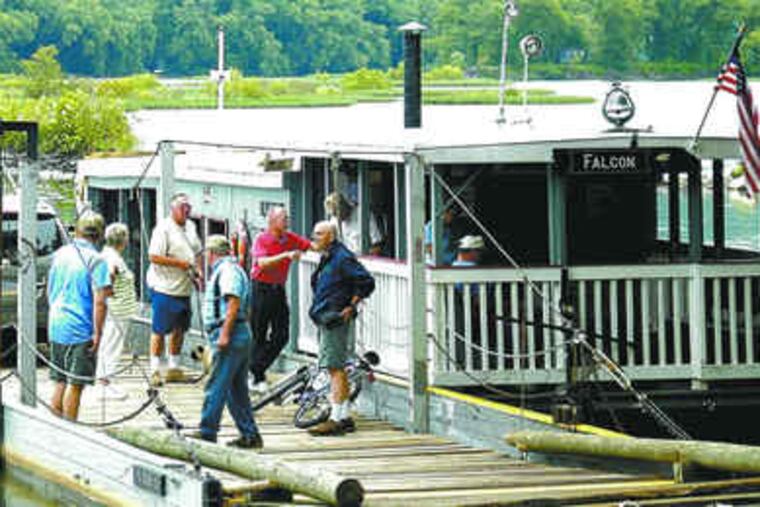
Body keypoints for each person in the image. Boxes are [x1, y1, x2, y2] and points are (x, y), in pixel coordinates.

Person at [307, 221, 375, 436]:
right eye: (315, 234)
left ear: (331, 236)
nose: (314, 237)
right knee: (337, 367)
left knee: (334, 367)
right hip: (326, 316)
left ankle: (335, 419)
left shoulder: (342, 257)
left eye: (319, 234)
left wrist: (350, 306)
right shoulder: (329, 256)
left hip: (335, 317)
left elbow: (366, 281)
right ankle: (344, 416)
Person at [195, 235, 262, 448]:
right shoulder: (234, 269)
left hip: (230, 334)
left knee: (216, 384)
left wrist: (225, 334)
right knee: (236, 389)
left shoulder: (227, 271)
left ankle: (207, 432)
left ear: (212, 253)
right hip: (240, 333)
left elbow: (233, 301)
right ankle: (249, 434)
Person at [48, 211, 111, 421]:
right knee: (75, 385)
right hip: (80, 327)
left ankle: (55, 427)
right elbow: (100, 301)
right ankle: (69, 430)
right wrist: (98, 333)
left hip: (57, 323)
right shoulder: (97, 260)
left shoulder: (60, 254)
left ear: (77, 231)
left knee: (60, 381)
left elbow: (50, 290)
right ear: (100, 235)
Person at [248, 206, 312, 393]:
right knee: (259, 334)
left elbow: (310, 245)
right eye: (284, 218)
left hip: (278, 290)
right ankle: (257, 377)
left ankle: (255, 368)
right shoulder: (262, 238)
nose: (287, 221)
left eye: (287, 217)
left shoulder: (289, 238)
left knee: (282, 335)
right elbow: (262, 263)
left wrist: (329, 244)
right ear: (272, 221)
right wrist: (286, 255)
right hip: (261, 288)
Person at [146, 193, 202, 386]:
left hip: (184, 287)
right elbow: (153, 256)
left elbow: (197, 252)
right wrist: (181, 264)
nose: (186, 211)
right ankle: (154, 369)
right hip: (164, 287)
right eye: (182, 207)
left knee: (180, 328)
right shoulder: (163, 229)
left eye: (188, 207)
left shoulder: (192, 226)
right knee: (159, 329)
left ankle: (174, 368)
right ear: (173, 209)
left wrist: (198, 271)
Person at [94, 223, 139, 401]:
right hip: (116, 310)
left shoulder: (107, 254)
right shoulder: (112, 257)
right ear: (124, 240)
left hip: (118, 310)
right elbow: (110, 275)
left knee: (109, 344)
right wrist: (110, 291)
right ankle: (105, 383)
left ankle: (105, 380)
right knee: (111, 345)